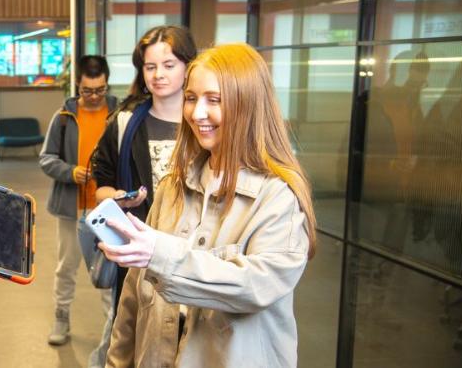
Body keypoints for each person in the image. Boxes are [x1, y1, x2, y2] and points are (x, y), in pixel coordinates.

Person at [100, 43, 317, 367]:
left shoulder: (278, 197)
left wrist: (160, 255)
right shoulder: (173, 186)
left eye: (213, 100)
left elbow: (256, 285)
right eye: (191, 98)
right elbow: (132, 300)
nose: (196, 113)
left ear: (248, 105)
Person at [91, 25, 197, 311]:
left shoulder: (204, 123)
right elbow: (101, 187)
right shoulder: (125, 123)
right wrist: (118, 198)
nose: (158, 74)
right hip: (138, 250)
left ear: (188, 67)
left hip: (194, 253)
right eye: (150, 67)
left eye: (169, 65)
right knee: (134, 332)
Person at [39, 55, 118, 364]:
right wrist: (71, 172)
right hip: (72, 207)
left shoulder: (120, 114)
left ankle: (113, 327)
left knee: (110, 270)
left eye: (100, 90)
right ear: (78, 86)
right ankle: (61, 317)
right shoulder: (63, 117)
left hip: (109, 208)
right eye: (88, 91)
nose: (94, 97)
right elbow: (47, 159)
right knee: (66, 267)